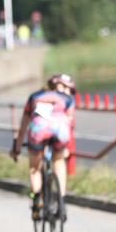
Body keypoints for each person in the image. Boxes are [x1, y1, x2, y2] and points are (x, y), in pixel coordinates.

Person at [10, 73, 76, 221]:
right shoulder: (68, 99)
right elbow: (69, 124)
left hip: (38, 130)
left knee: (35, 168)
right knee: (59, 162)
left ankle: (36, 201)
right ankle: (61, 202)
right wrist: (66, 148)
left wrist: (17, 148)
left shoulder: (34, 97)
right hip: (60, 130)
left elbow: (24, 126)